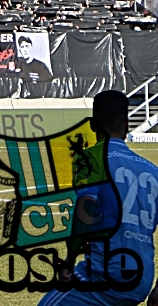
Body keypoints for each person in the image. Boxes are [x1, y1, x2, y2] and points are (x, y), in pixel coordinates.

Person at [37, 89, 158, 306]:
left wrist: (69, 260)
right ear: (127, 126)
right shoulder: (153, 171)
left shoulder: (89, 159)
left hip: (105, 275)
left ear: (92, 125)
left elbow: (87, 210)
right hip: (141, 281)